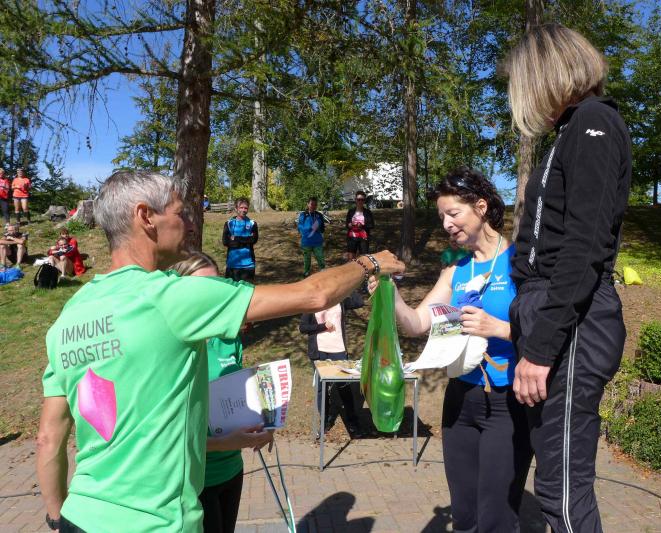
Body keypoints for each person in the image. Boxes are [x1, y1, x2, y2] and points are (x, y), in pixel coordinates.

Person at [36, 170, 404, 533]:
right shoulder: (171, 296)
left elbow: (50, 438)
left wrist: (56, 518)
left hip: (79, 516)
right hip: (156, 524)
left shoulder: (72, 312)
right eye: (180, 213)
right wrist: (369, 262)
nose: (189, 224)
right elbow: (313, 295)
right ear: (145, 216)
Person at [505, 24, 632, 532]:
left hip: (575, 321)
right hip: (553, 314)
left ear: (545, 74)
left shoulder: (595, 121)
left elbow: (584, 247)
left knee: (560, 491)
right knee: (553, 482)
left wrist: (540, 349)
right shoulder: (571, 130)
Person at [369, 167, 532, 532]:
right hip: (460, 400)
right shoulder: (456, 270)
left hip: (508, 403)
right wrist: (389, 293)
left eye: (453, 213)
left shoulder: (521, 262)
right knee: (465, 515)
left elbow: (546, 333)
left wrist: (500, 329)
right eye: (441, 216)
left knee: (496, 518)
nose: (445, 224)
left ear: (481, 207)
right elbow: (416, 323)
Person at [171, 251, 273, 533]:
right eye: (201, 289)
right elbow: (168, 438)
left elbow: (239, 392)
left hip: (232, 469)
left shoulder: (229, 339)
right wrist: (224, 443)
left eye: (215, 287)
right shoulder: (172, 345)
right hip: (193, 479)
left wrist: (266, 422)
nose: (210, 298)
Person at [299, 290, 364, 436]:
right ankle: (325, 422)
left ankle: (352, 422)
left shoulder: (340, 299)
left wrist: (349, 285)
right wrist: (323, 326)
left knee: (344, 387)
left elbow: (359, 302)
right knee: (321, 388)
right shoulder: (313, 303)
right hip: (319, 352)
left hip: (338, 350)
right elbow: (303, 327)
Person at [222, 197, 258, 282]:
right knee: (231, 289)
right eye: (241, 207)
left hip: (248, 265)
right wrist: (246, 240)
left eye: (246, 208)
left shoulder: (252, 223)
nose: (243, 210)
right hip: (232, 265)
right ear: (236, 208)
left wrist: (235, 238)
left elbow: (253, 240)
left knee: (247, 290)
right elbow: (225, 242)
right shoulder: (229, 223)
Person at [297, 196, 326, 277]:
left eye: (315, 204)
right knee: (307, 259)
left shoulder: (319, 215)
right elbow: (299, 227)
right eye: (311, 204)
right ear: (308, 204)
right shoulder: (303, 215)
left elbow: (322, 229)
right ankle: (306, 273)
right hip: (306, 242)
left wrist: (317, 227)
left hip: (317, 242)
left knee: (320, 258)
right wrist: (308, 229)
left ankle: (323, 272)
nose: (313, 206)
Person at [345, 191, 375, 261]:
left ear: (364, 201)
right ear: (355, 200)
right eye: (358, 199)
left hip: (363, 238)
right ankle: (352, 268)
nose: (360, 201)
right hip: (352, 238)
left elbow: (371, 225)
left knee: (364, 258)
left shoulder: (368, 212)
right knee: (351, 259)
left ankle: (362, 268)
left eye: (362, 200)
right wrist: (349, 225)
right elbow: (347, 224)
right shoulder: (351, 211)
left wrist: (362, 225)